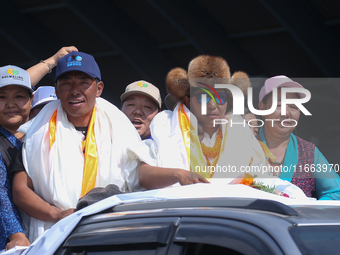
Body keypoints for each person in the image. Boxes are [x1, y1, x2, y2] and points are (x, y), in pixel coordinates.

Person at [11, 50, 142, 242]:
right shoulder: (35, 133)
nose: (74, 90)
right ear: (56, 90)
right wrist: (57, 215)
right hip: (54, 237)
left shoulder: (122, 131)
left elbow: (140, 174)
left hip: (112, 234)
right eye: (66, 83)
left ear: (99, 88)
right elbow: (20, 190)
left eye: (83, 82)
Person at [128, 55, 268, 189]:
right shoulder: (167, 126)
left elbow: (262, 176)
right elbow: (143, 175)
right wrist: (178, 175)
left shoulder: (240, 132)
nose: (212, 105)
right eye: (203, 97)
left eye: (220, 97)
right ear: (188, 100)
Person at [258, 75, 340, 200]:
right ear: (262, 108)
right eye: (279, 105)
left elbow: (336, 192)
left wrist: (310, 210)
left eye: (293, 107)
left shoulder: (309, 153)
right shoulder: (244, 145)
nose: (286, 113)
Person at [0, 65, 31, 251]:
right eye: (1, 97)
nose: (11, 104)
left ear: (31, 99)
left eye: (19, 96)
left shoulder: (44, 135)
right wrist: (17, 235)